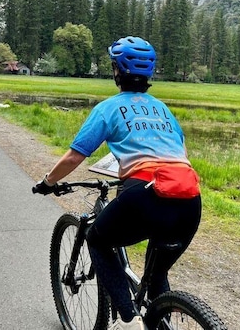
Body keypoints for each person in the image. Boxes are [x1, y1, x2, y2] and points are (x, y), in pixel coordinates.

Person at [33, 36, 202, 330]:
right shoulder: (164, 110)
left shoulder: (108, 108)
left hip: (145, 195)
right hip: (189, 198)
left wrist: (48, 182)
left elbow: (75, 157)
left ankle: (127, 320)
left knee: (97, 239)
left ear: (116, 71)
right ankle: (160, 320)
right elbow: (179, 155)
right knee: (158, 270)